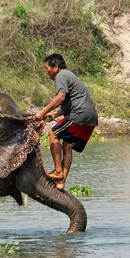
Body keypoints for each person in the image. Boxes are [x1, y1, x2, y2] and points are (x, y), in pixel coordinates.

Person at [33, 53, 98, 190]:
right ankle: (61, 182)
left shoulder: (61, 75)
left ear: (55, 67)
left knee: (53, 133)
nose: (46, 72)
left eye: (47, 68)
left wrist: (42, 113)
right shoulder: (70, 75)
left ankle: (57, 171)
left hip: (79, 115)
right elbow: (72, 102)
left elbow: (61, 97)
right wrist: (56, 113)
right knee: (67, 145)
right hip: (90, 118)